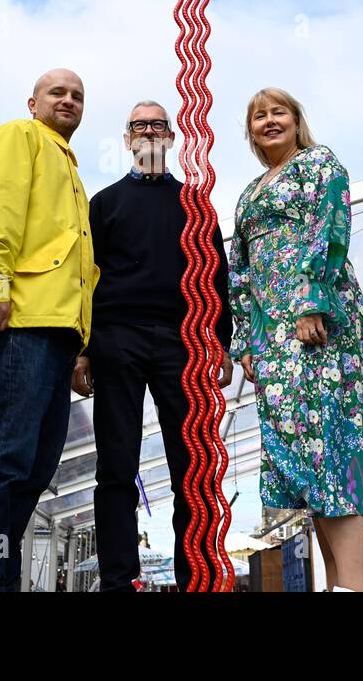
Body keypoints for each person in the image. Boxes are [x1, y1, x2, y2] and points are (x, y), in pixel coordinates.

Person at [227, 87, 363, 592]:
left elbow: (330, 225)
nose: (268, 121)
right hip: (274, 343)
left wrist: (312, 300)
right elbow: (238, 271)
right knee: (305, 463)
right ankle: (337, 585)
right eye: (259, 116)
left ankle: (352, 586)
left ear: (296, 119)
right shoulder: (249, 193)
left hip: (318, 327)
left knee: (330, 453)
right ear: (251, 132)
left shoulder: (318, 164)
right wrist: (245, 340)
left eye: (277, 112)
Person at [0, 68, 99, 592]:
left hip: (54, 333)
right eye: (58, 92)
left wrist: (81, 346)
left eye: (78, 95)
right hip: (17, 322)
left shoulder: (70, 168)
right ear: (32, 102)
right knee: (1, 460)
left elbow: (82, 271)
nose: (69, 100)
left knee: (30, 472)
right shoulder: (17, 135)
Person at [72, 100, 232, 592]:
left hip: (184, 341)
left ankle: (194, 579)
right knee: (115, 465)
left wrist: (221, 343)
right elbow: (83, 280)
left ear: (171, 136)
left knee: (191, 465)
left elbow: (218, 279)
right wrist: (81, 350)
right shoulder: (103, 203)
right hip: (115, 338)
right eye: (139, 125)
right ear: (127, 140)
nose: (148, 131)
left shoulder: (196, 204)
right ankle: (119, 580)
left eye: (158, 124)